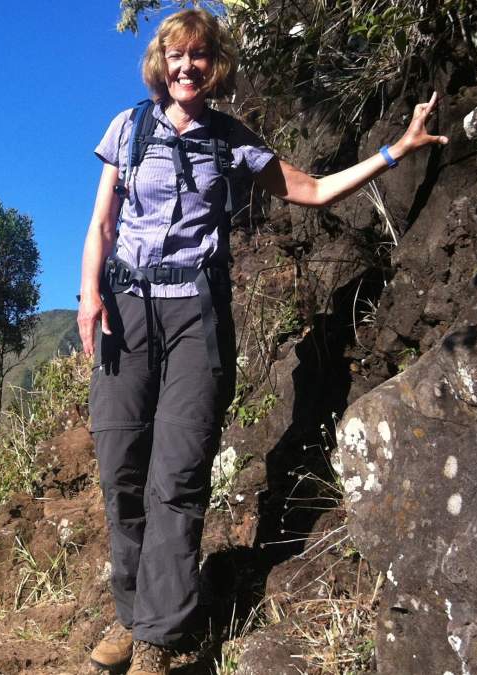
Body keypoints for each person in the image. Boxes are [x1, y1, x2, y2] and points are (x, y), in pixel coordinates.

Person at [78, 9, 448, 674]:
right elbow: (102, 221)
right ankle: (131, 613)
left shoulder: (232, 141)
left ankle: (159, 637)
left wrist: (397, 149)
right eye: (175, 56)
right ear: (161, 64)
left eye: (198, 55)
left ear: (213, 64)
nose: (187, 67)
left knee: (180, 469)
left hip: (196, 310)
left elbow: (310, 190)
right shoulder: (127, 128)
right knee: (122, 465)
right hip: (126, 309)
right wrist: (89, 295)